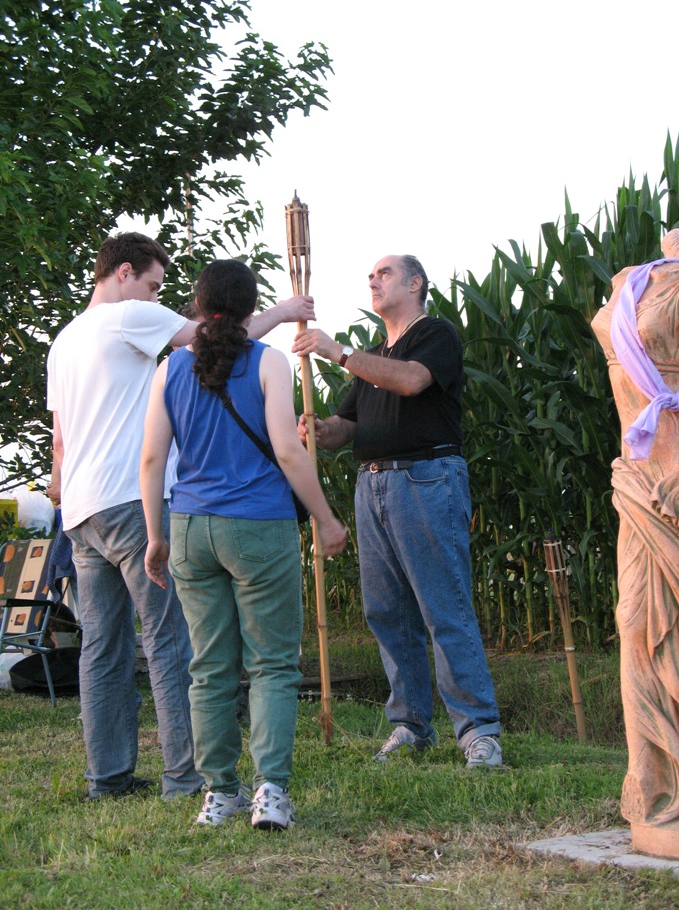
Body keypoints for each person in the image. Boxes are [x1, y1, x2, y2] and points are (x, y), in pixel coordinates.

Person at [47, 231, 316, 800]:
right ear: (123, 273)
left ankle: (107, 777)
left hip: (81, 508)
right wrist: (284, 310)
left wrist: (64, 493)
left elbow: (60, 441)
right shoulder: (128, 316)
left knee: (102, 647)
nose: (156, 297)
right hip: (130, 499)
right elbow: (218, 341)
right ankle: (186, 776)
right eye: (152, 285)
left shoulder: (64, 340)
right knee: (170, 641)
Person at [140, 259, 347, 830]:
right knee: (272, 664)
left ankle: (219, 794)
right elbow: (287, 450)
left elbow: (153, 458)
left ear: (199, 305)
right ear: (253, 306)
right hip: (258, 525)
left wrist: (155, 536)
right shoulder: (268, 361)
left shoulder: (169, 369)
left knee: (208, 667)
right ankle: (271, 791)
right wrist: (326, 519)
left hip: (189, 528)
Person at [292, 254, 502, 767]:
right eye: (371, 275)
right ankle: (410, 726)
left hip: (425, 478)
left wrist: (338, 353)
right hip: (373, 484)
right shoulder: (372, 357)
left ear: (415, 283)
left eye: (384, 273)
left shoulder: (435, 334)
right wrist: (321, 430)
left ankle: (478, 730)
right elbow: (348, 425)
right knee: (387, 612)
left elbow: (410, 381)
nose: (373, 279)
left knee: (443, 606)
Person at [592, 229, 679, 857]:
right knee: (635, 622)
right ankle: (656, 786)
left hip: (677, 478)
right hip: (639, 475)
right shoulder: (635, 277)